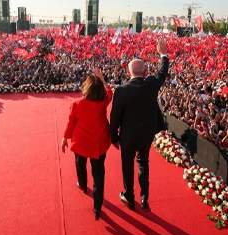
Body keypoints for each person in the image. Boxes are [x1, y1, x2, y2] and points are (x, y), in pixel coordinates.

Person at [110, 38, 169, 212]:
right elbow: (162, 73)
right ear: (144, 72)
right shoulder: (151, 84)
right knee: (143, 162)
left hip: (128, 137)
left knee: (128, 167)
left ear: (129, 73)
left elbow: (114, 118)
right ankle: (144, 197)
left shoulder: (121, 91)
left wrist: (114, 138)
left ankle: (129, 197)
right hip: (146, 135)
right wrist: (163, 54)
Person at [61, 68, 113, 220]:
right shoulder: (104, 101)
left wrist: (65, 138)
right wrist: (102, 79)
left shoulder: (76, 104)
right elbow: (109, 91)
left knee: (80, 164)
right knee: (98, 174)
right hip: (99, 143)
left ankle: (82, 184)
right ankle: (97, 206)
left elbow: (70, 124)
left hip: (81, 143)